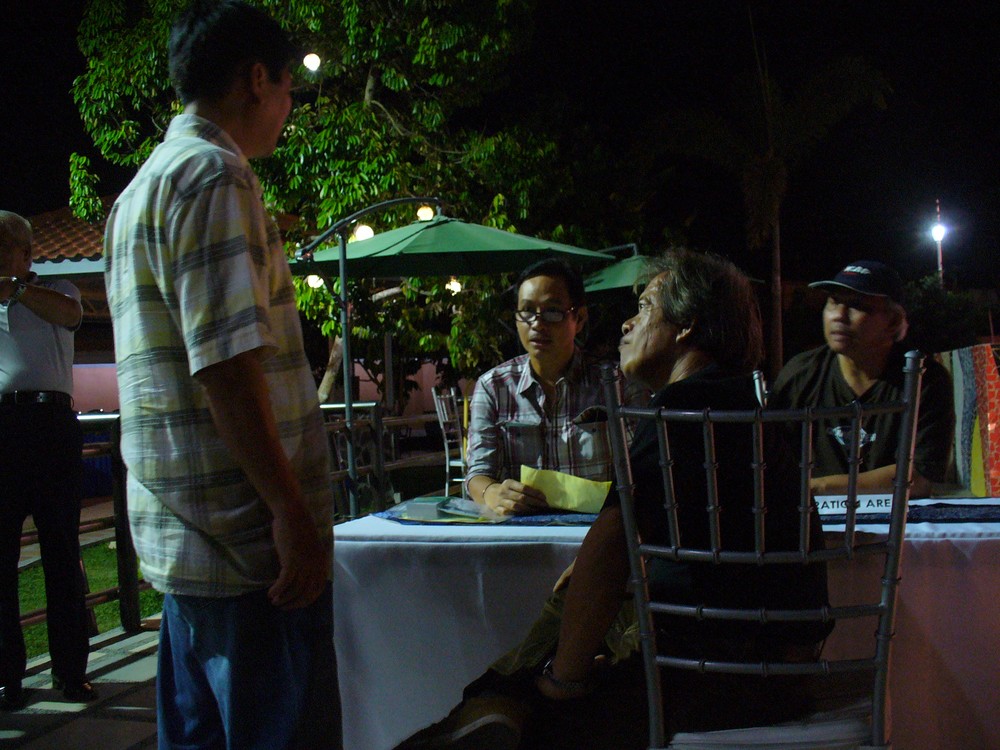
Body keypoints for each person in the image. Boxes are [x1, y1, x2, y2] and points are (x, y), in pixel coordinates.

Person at [399, 250, 831, 749]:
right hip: (780, 672)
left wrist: (563, 682)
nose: (627, 323)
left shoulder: (679, 413)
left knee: (552, 686)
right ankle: (496, 706)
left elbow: (609, 548)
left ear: (686, 325)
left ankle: (499, 704)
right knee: (577, 588)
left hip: (710, 680)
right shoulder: (747, 409)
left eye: (645, 307)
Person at [103, 2, 340, 748]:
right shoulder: (215, 175)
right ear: (257, 78)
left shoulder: (138, 192)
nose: (289, 109)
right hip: (248, 554)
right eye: (288, 90)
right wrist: (291, 512)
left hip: (185, 543)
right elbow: (228, 366)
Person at [0, 210, 96, 711]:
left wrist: (15, 289)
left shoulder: (57, 289)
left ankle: (71, 672)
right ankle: (6, 678)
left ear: (25, 253)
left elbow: (70, 315)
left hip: (51, 425)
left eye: (1, 249)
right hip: (4, 428)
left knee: (61, 552)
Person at [769, 260, 955, 498]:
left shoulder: (924, 380)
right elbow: (771, 461)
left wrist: (817, 487)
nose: (839, 315)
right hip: (811, 516)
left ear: (893, 321)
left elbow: (918, 478)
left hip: (899, 518)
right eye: (833, 302)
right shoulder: (800, 374)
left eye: (856, 305)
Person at [465, 258, 613, 515]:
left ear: (579, 318)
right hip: (522, 529)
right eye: (526, 311)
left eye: (552, 311)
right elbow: (478, 473)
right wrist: (492, 493)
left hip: (598, 528)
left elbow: (643, 468)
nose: (537, 324)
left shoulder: (613, 384)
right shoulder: (493, 387)